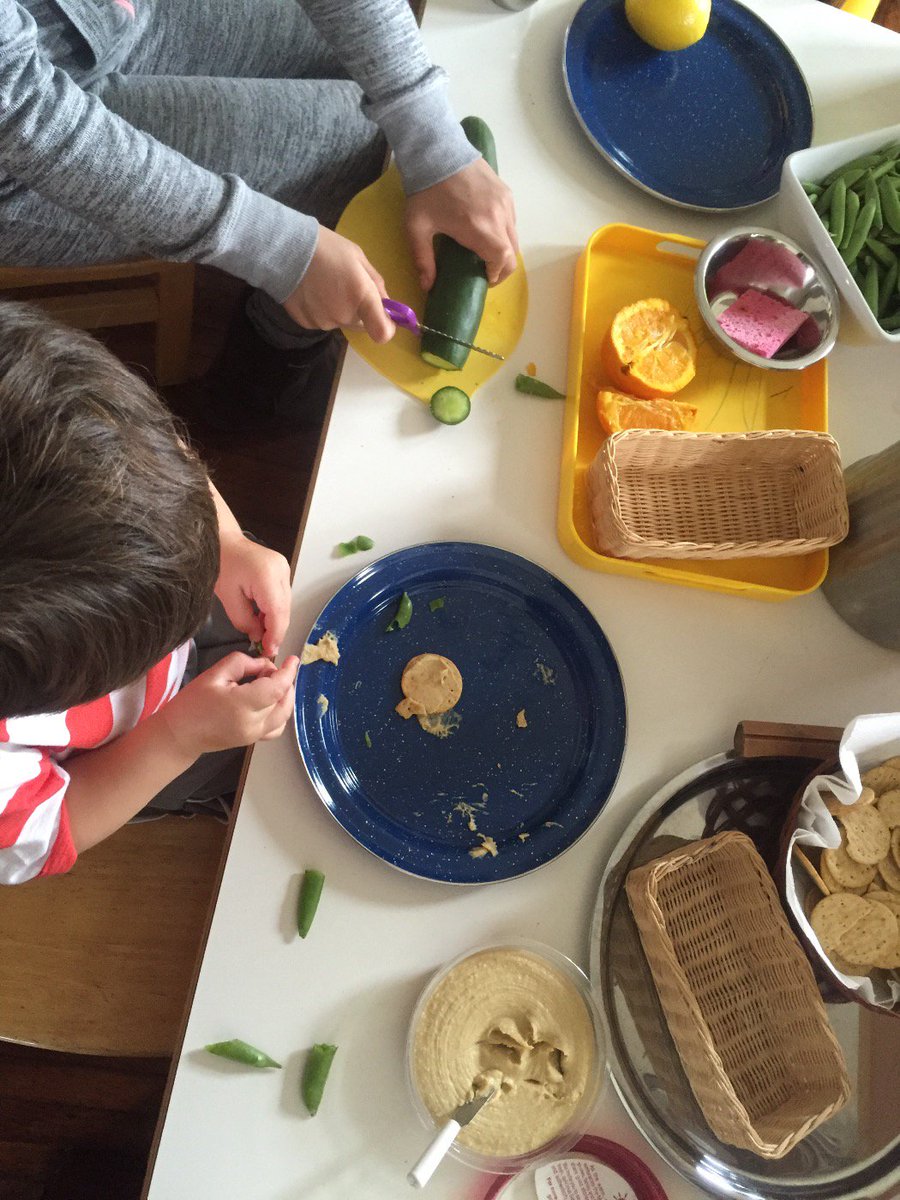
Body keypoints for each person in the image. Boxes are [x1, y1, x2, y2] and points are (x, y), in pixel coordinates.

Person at [0, 0, 519, 426]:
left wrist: (433, 139)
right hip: (20, 158)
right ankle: (259, 387)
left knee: (373, 57)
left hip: (109, 15)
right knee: (365, 159)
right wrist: (278, 250)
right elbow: (20, 108)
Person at [0, 302, 301, 885]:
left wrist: (225, 541)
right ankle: (206, 789)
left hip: (167, 645)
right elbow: (57, 824)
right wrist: (180, 736)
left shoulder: (40, 402)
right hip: (138, 748)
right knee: (251, 768)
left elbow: (146, 445)